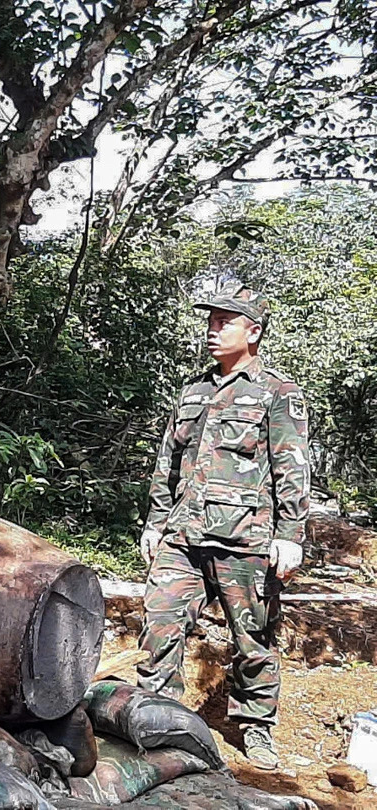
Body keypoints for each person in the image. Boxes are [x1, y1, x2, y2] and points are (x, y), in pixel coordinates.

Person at [136, 281, 309, 770]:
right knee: (159, 625)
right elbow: (168, 463)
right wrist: (154, 523)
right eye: (209, 321)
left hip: (245, 540)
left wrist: (290, 535)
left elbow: (292, 467)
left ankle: (255, 728)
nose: (211, 331)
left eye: (223, 322)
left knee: (252, 638)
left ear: (252, 331)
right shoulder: (193, 392)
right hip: (183, 535)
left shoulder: (278, 393)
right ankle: (159, 722)